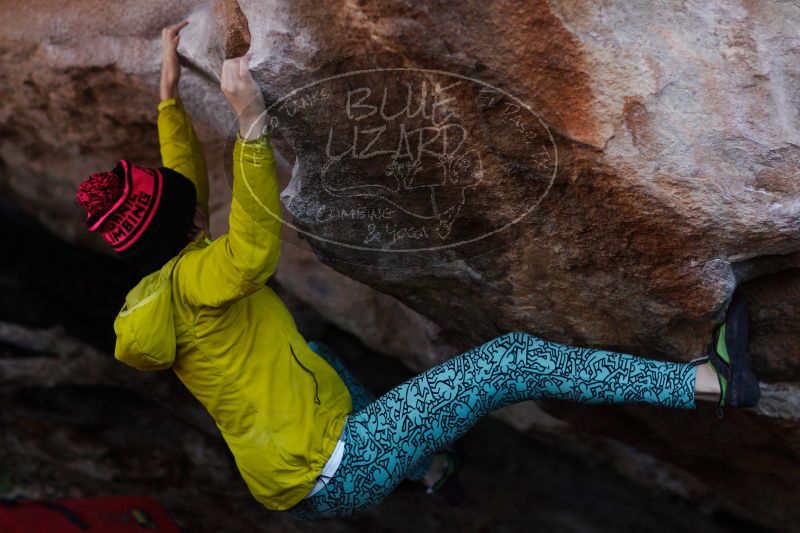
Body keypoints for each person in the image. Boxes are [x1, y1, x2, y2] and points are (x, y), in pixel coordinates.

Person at [75, 21, 761, 520]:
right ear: (183, 228)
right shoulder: (200, 282)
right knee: (508, 363)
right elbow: (252, 250)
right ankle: (710, 383)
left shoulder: (162, 283)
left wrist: (168, 95)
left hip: (289, 475)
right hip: (341, 464)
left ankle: (432, 470)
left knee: (317, 356)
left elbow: (180, 191)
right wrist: (250, 124)